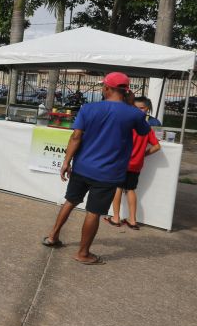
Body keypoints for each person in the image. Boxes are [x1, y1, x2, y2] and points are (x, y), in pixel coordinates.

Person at [44, 72, 151, 265]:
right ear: (126, 91)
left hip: (83, 167)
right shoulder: (134, 113)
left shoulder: (88, 108)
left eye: (103, 86)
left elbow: (75, 137)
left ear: (108, 88)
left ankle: (52, 236)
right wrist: (132, 104)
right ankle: (83, 253)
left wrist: (66, 162)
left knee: (70, 201)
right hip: (108, 173)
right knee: (93, 212)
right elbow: (144, 131)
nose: (102, 89)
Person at [104, 93, 162, 230]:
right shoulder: (147, 127)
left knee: (118, 188)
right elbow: (157, 146)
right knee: (130, 189)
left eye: (140, 108)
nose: (137, 110)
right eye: (134, 107)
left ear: (147, 109)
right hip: (136, 164)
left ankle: (116, 218)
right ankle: (132, 220)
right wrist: (143, 155)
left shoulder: (127, 124)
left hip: (121, 162)